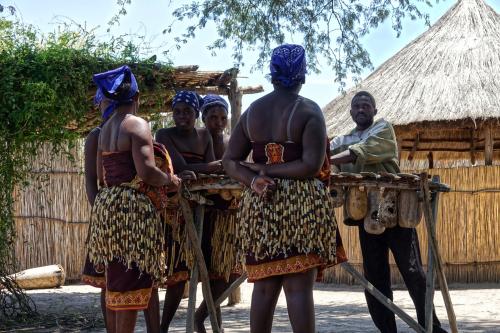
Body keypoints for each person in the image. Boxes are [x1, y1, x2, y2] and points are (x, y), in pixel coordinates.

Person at [222, 44, 345, 333]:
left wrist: (256, 177)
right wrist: (262, 174)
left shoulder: (253, 112)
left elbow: (230, 160)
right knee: (298, 289)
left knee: (263, 288)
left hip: (261, 201)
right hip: (300, 205)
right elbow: (311, 166)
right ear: (302, 75)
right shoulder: (309, 111)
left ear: (273, 74)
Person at [330, 91, 447, 333]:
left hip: (395, 209)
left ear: (375, 110)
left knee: (413, 271)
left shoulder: (383, 129)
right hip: (366, 215)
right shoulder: (343, 138)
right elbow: (328, 151)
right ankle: (387, 330)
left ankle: (431, 327)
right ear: (350, 112)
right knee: (374, 277)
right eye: (357, 106)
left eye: (366, 105)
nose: (361, 109)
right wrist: (320, 154)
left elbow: (358, 152)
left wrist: (323, 158)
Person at [86, 65, 181, 333]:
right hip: (131, 212)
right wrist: (170, 180)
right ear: (136, 98)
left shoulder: (103, 130)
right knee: (129, 283)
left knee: (117, 282)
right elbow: (147, 171)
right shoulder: (137, 124)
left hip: (108, 207)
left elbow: (101, 176)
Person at [156, 90, 224, 332]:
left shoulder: (205, 136)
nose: (181, 116)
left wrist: (206, 169)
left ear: (197, 113)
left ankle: (202, 318)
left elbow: (209, 173)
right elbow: (180, 167)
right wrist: (208, 167)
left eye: (187, 111)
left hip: (204, 209)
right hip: (176, 212)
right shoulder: (164, 134)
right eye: (177, 112)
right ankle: (163, 327)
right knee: (178, 273)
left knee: (216, 271)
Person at [191, 94, 242, 332]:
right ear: (203, 118)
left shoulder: (232, 142)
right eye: (212, 117)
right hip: (205, 215)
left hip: (229, 215)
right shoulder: (198, 140)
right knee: (212, 275)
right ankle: (207, 321)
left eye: (222, 117)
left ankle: (204, 319)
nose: (218, 122)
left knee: (227, 274)